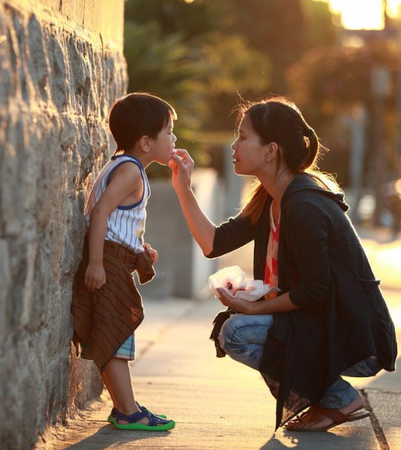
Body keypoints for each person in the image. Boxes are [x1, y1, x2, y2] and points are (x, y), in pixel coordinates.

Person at [169, 96, 397, 431]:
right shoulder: (269, 199)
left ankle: (337, 397)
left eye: (243, 137)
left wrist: (254, 309)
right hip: (324, 324)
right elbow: (213, 244)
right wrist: (182, 187)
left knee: (236, 332)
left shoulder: (304, 204)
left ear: (271, 150)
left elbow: (317, 290)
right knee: (232, 327)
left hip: (357, 338)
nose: (234, 146)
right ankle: (328, 398)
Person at [71, 93, 177, 431]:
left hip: (116, 257)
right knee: (116, 336)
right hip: (108, 262)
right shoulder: (131, 171)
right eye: (169, 131)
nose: (174, 138)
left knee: (112, 333)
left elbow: (117, 220)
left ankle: (124, 407)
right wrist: (96, 264)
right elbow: (100, 212)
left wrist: (139, 249)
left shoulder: (125, 165)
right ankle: (128, 412)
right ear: (146, 142)